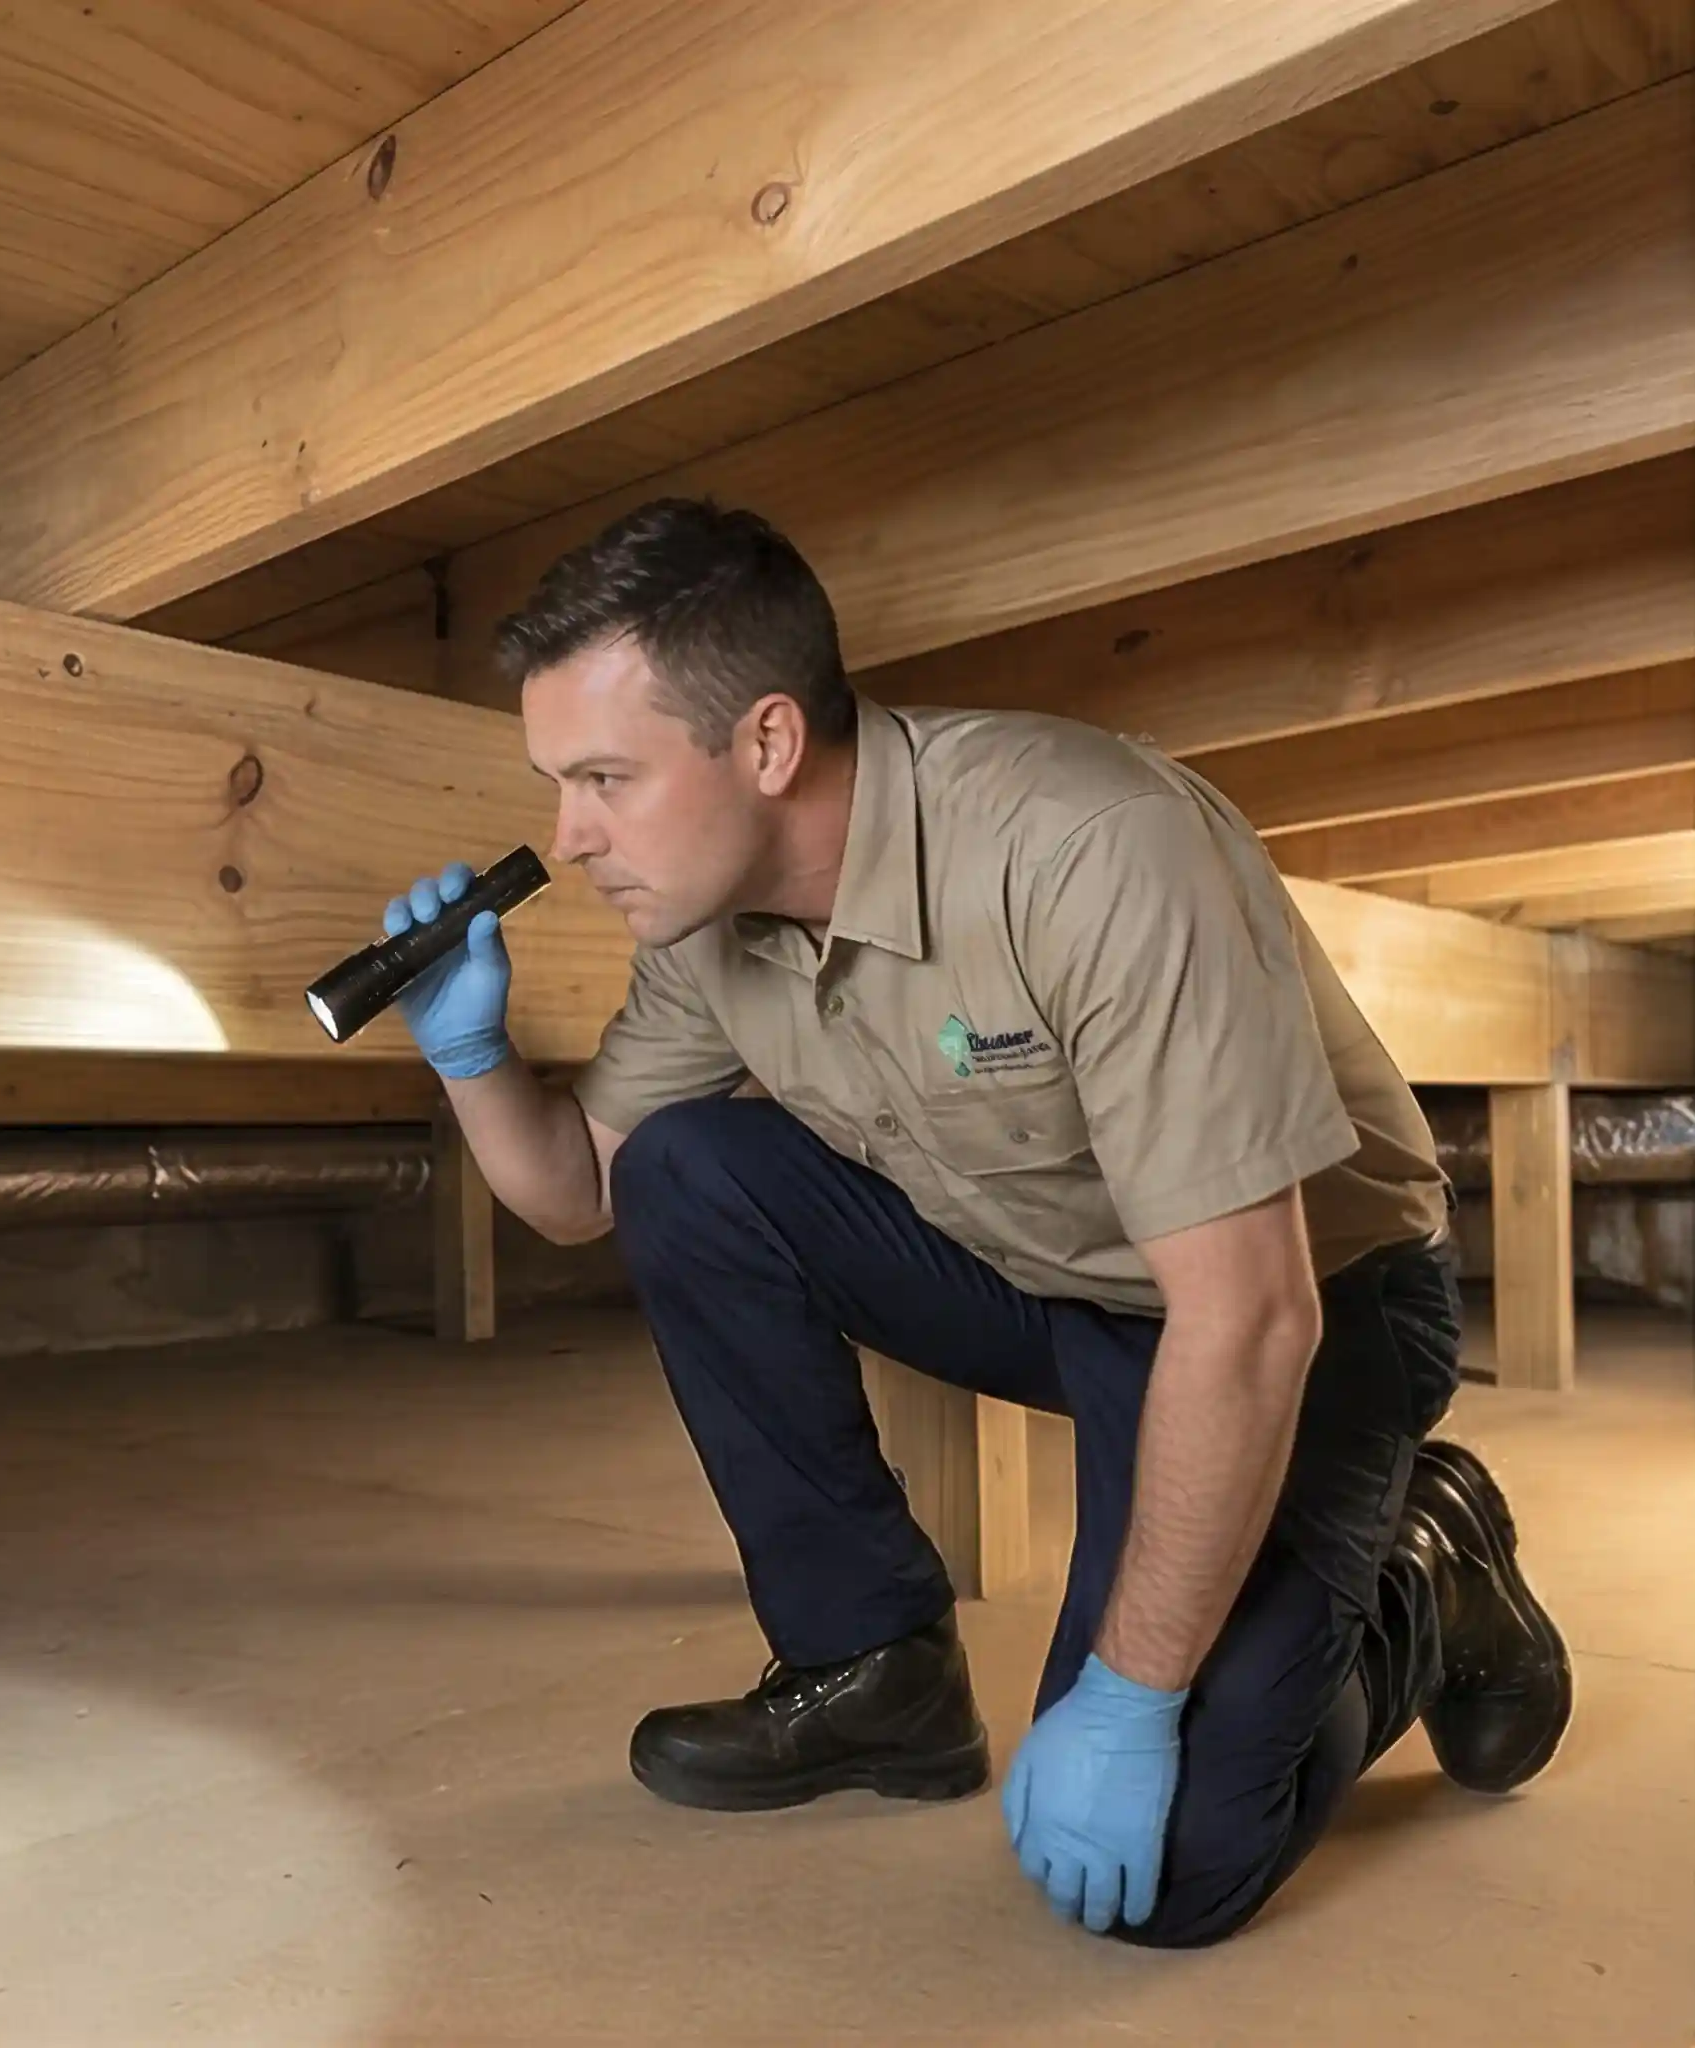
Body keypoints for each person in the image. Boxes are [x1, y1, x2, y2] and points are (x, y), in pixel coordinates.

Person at [386, 497, 1572, 1946]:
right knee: (687, 1167)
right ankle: (870, 1671)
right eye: (556, 783)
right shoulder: (705, 926)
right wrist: (469, 1056)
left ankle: (1431, 1572)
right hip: (1050, 1283)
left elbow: (1254, 1316)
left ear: (763, 744)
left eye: (605, 780)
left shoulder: (1090, 846)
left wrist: (1133, 1701)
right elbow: (585, 1192)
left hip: (1306, 1311)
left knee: (1176, 1867)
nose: (568, 837)